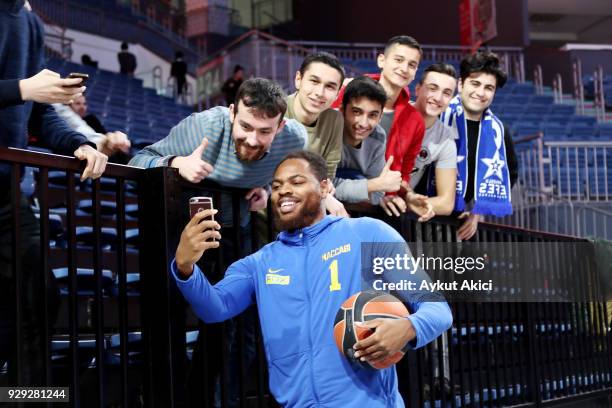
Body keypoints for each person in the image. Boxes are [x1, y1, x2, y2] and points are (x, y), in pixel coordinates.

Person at [172, 150, 453, 407]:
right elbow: (214, 308)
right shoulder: (258, 263)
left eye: (296, 182)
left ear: (325, 187)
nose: (284, 192)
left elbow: (438, 308)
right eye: (277, 186)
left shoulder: (369, 233)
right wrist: (185, 266)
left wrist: (407, 327)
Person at [0, 0, 107, 386]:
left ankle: (29, 396)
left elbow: (40, 113)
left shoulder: (30, 24)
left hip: (7, 193)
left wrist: (78, 143)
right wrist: (25, 87)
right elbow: (25, 92)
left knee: (39, 301)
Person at [333, 36, 429, 219]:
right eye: (399, 60)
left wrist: (392, 194)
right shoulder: (349, 91)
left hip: (374, 199)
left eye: (412, 64)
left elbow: (404, 171)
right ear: (381, 60)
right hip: (334, 189)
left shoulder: (415, 120)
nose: (404, 68)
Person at [440, 52, 518, 240]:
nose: (481, 93)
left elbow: (511, 173)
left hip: (459, 224)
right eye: (475, 84)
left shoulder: (499, 132)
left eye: (489, 88)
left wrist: (477, 211)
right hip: (417, 216)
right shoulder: (438, 118)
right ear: (460, 85)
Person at [285, 52, 347, 216]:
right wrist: (319, 193)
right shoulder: (276, 111)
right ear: (298, 79)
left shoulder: (335, 119)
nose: (320, 92)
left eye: (330, 86)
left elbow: (328, 173)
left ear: (337, 93)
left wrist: (323, 191)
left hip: (307, 214)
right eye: (314, 81)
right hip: (266, 210)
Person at [334, 76, 402, 207]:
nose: (363, 123)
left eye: (372, 115)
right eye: (356, 112)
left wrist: (373, 188)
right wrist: (373, 185)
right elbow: (320, 187)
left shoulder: (378, 136)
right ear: (342, 109)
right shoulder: (328, 126)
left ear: (380, 117)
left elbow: (376, 196)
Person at [410, 63, 459, 221]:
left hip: (394, 208)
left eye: (446, 93)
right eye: (432, 88)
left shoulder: (445, 139)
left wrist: (407, 201)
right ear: (417, 89)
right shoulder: (392, 115)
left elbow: (446, 204)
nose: (438, 98)